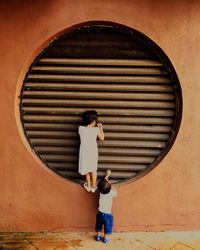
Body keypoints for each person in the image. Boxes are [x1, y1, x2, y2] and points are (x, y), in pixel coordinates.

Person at [78, 110, 104, 193]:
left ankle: (88, 185)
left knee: (86, 168)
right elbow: (102, 138)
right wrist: (100, 128)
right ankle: (93, 186)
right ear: (93, 121)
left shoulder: (80, 129)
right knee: (93, 169)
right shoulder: (95, 130)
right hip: (92, 152)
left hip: (84, 152)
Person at [95, 169, 117, 243]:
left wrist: (107, 175)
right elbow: (116, 191)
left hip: (100, 213)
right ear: (110, 188)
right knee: (107, 226)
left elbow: (104, 181)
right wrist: (110, 184)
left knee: (99, 225)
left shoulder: (101, 192)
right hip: (107, 215)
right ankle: (105, 238)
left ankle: (98, 236)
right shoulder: (111, 193)